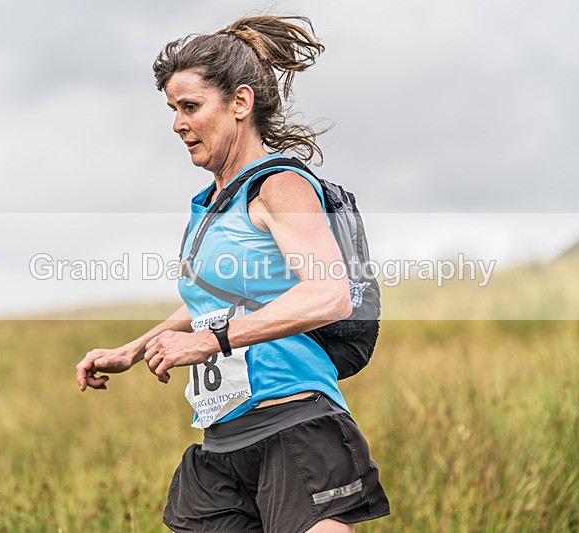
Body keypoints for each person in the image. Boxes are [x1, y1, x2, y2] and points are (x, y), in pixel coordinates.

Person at [75, 15, 390, 533]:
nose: (178, 124)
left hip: (296, 428)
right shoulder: (211, 204)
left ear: (240, 103)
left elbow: (331, 294)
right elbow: (209, 304)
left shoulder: (281, 186)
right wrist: (133, 350)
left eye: (191, 107)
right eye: (173, 110)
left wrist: (211, 342)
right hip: (221, 443)